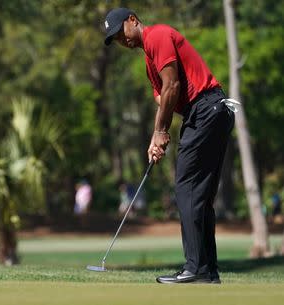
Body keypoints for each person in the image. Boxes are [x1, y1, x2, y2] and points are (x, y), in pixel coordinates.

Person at [103, 8, 236, 284]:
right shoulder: (149, 60)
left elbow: (172, 86)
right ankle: (207, 270)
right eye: (115, 39)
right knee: (199, 195)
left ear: (133, 20)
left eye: (120, 32)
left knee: (186, 188)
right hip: (210, 112)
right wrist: (156, 139)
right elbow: (163, 98)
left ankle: (195, 268)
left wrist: (161, 130)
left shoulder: (158, 36)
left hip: (206, 109)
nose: (121, 40)